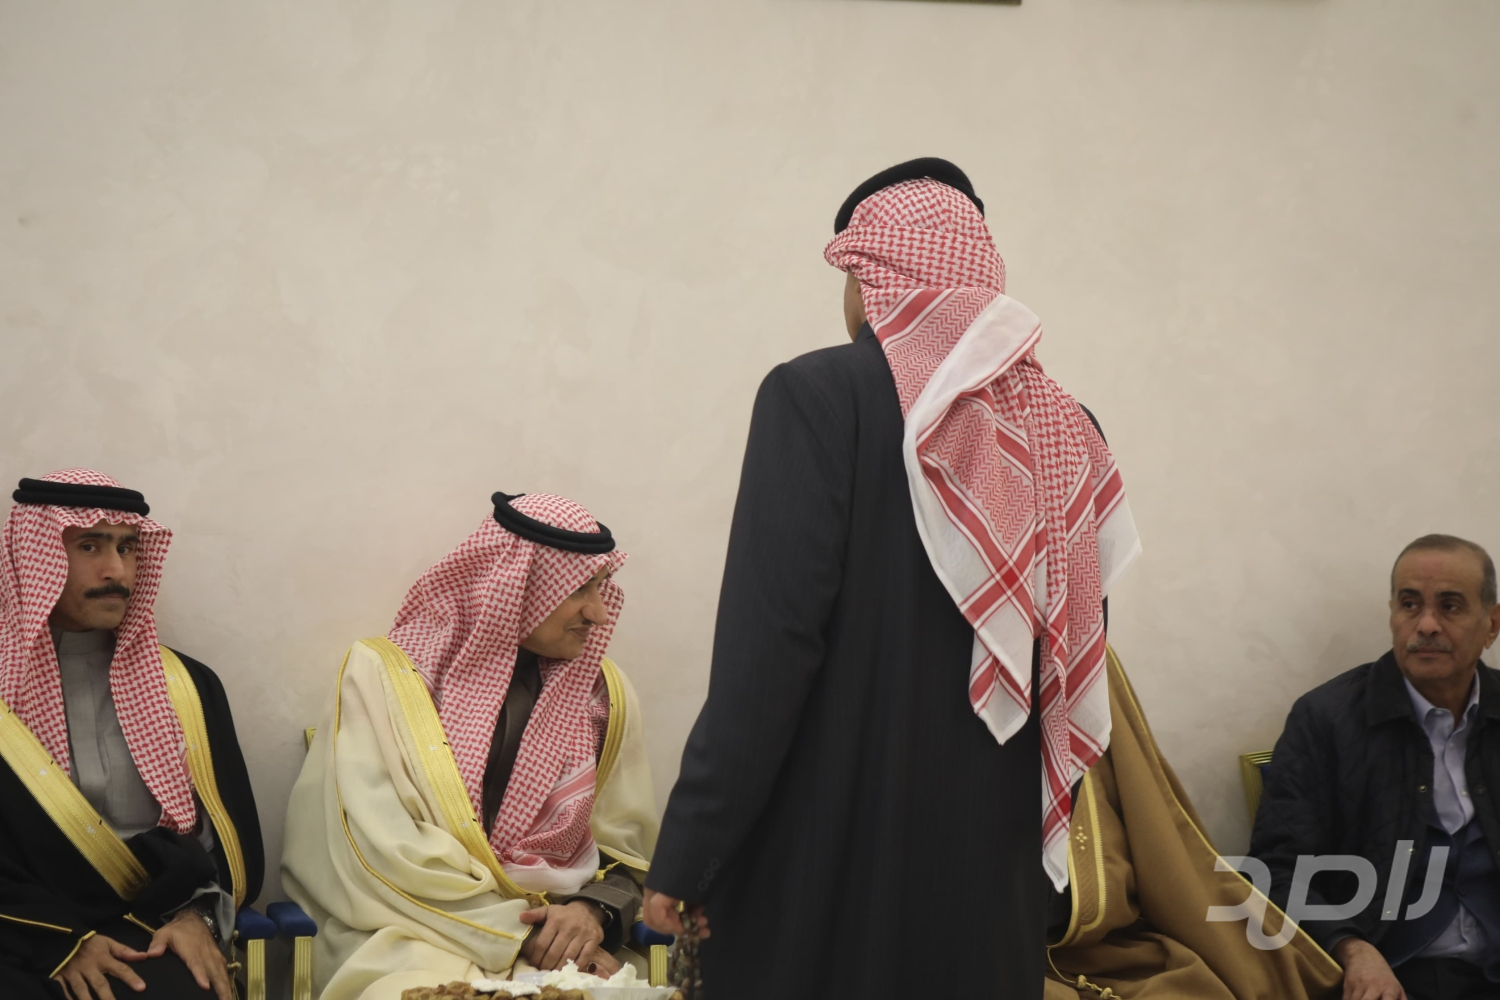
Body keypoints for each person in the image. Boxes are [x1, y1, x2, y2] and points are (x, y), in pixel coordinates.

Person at [643, 159, 1141, 999]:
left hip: (823, 879)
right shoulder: (1065, 426)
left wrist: (691, 854)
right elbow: (1069, 662)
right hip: (988, 896)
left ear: (873, 278)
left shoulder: (818, 396)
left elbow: (767, 660)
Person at [281, 492, 658, 1000]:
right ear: (520, 585)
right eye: (579, 589)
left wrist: (593, 911)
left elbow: (625, 847)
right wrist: (518, 932)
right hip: (409, 933)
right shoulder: (386, 677)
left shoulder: (603, 695)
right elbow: (379, 850)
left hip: (563, 941)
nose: (598, 613)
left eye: (602, 586)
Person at [0, 470, 263, 1000]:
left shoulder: (187, 687)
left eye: (127, 548)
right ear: (34, 556)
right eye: (89, 546)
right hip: (19, 929)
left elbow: (224, 842)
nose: (116, 571)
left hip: (148, 925)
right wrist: (61, 941)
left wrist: (197, 917)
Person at [1251, 534, 1500, 1000]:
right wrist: (1352, 949)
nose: (1426, 624)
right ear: (1392, 614)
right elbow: (1276, 869)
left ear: (1492, 624)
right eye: (1410, 604)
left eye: (1449, 606)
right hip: (1395, 969)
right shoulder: (1325, 719)